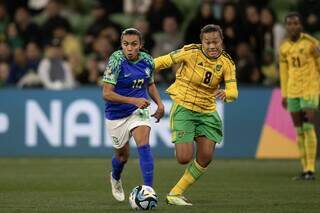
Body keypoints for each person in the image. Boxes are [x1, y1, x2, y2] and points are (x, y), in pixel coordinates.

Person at [155, 24, 238, 206]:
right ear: (202, 42)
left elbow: (233, 89)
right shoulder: (191, 52)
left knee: (206, 157)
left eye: (215, 42)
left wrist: (227, 93)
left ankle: (175, 194)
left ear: (221, 41)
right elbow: (164, 61)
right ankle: (175, 193)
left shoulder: (227, 63)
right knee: (184, 158)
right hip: (184, 107)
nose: (211, 46)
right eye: (207, 42)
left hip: (207, 112)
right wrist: (143, 68)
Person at [102, 28, 165, 202]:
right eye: (125, 44)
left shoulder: (147, 61)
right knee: (122, 157)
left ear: (141, 45)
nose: (129, 48)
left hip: (138, 110)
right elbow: (106, 94)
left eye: (133, 44)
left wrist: (160, 103)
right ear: (121, 44)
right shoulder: (116, 60)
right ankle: (115, 177)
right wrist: (132, 100)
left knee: (143, 144)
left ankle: (148, 192)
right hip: (116, 114)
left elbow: (150, 84)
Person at [279, 12, 320, 181]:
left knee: (309, 127)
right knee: (299, 129)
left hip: (310, 89)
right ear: (286, 26)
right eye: (289, 24)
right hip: (293, 91)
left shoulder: (312, 44)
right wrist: (285, 94)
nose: (292, 26)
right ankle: (304, 169)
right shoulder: (284, 48)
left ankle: (311, 169)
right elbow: (284, 72)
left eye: (296, 23)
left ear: (301, 25)